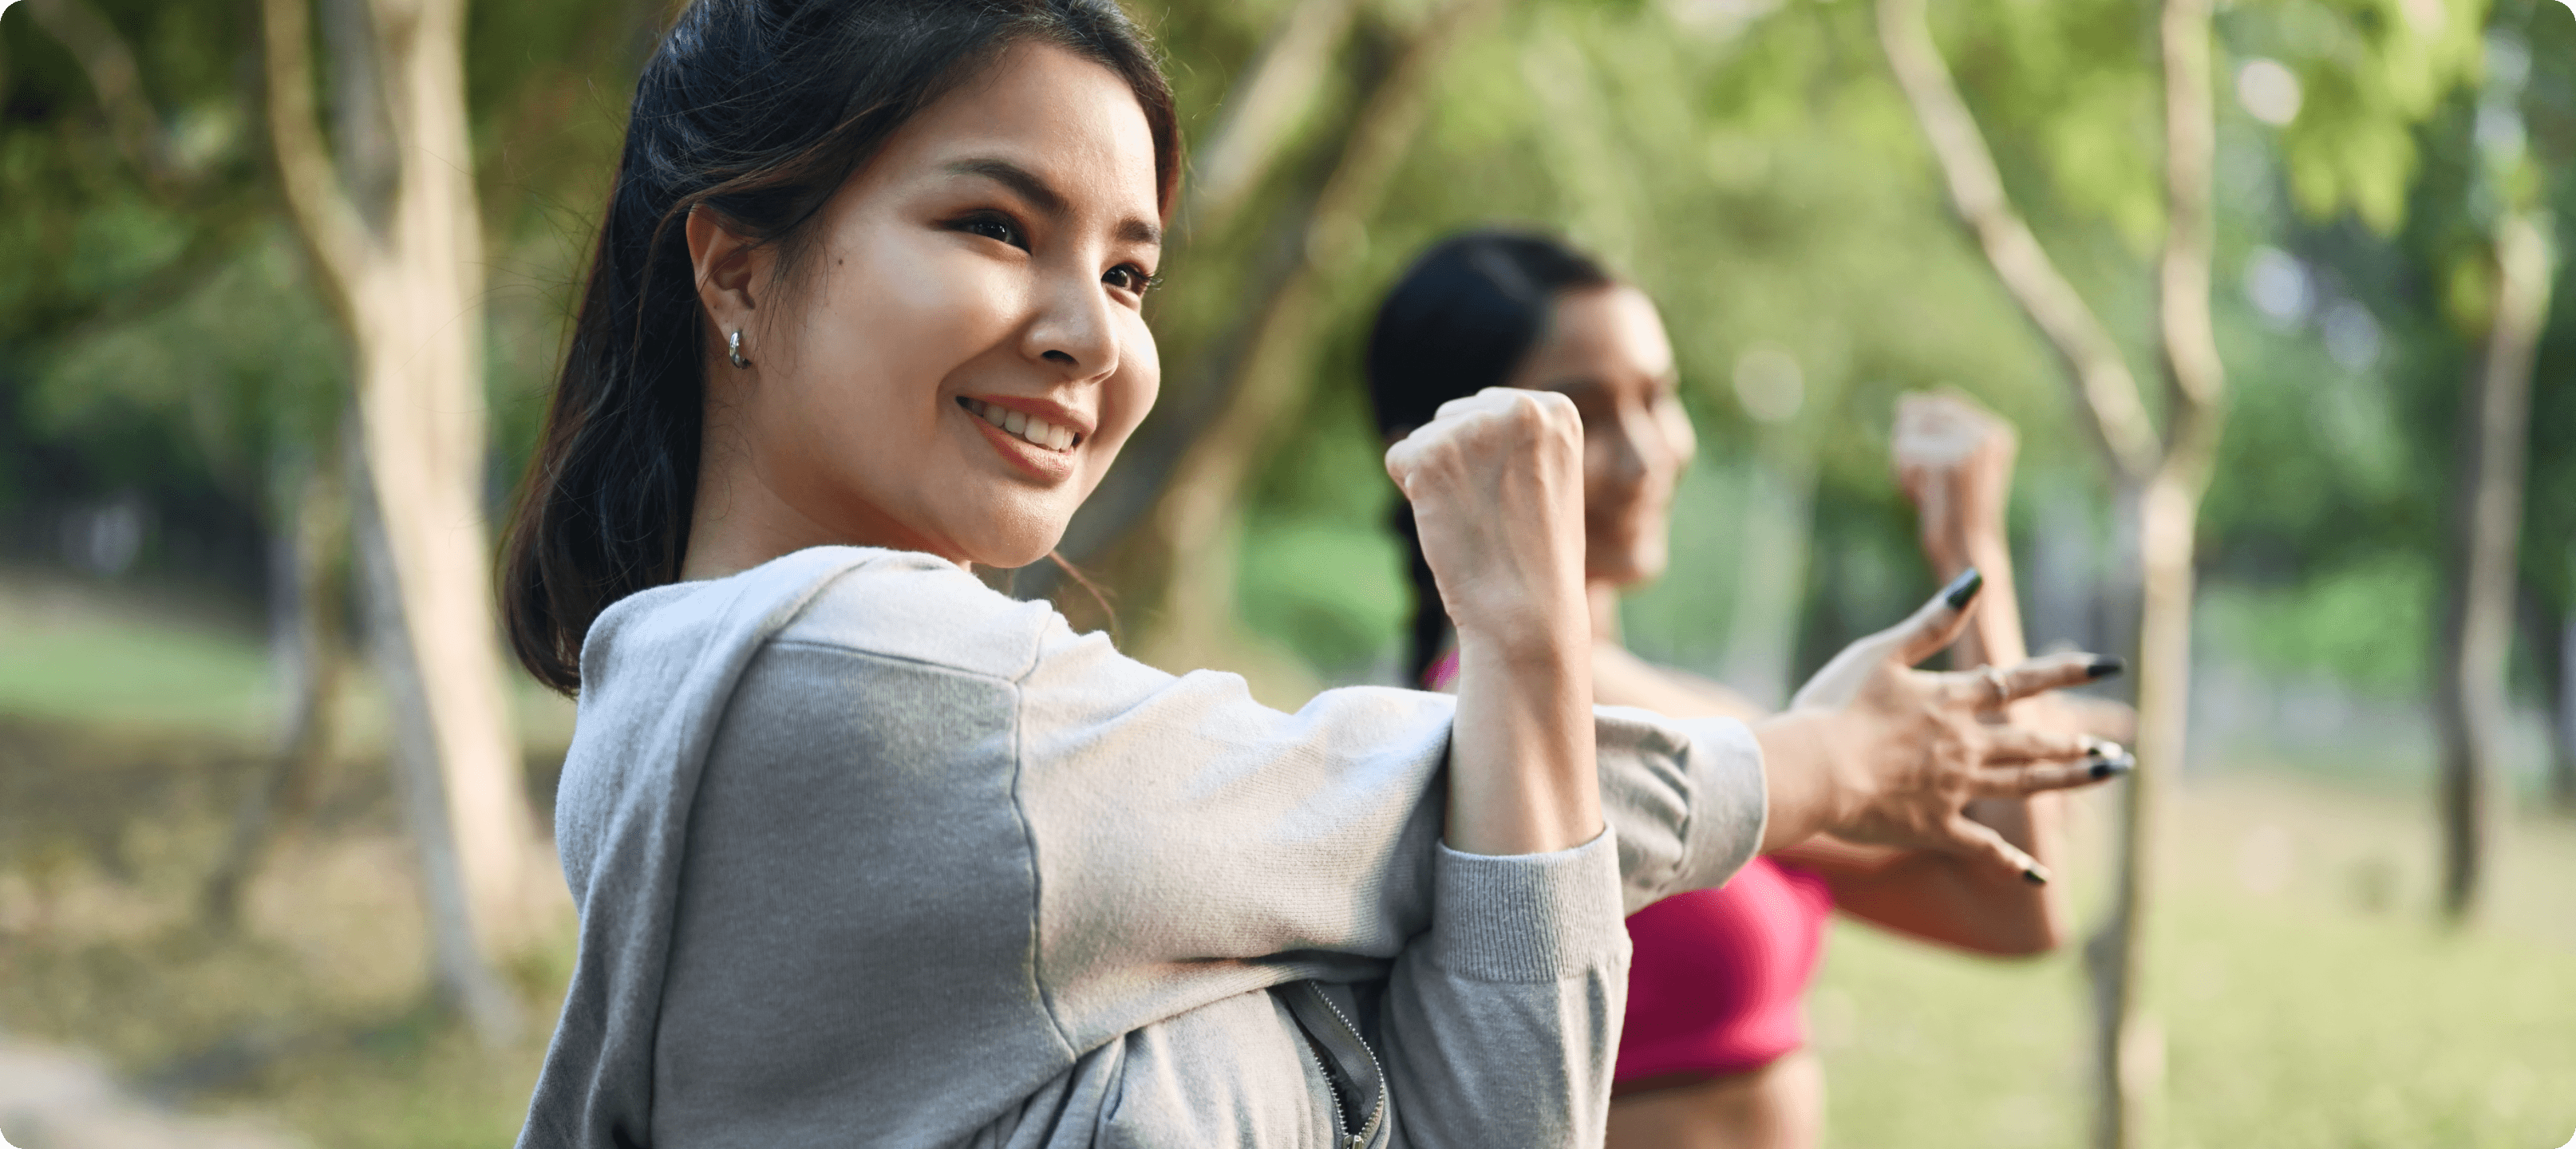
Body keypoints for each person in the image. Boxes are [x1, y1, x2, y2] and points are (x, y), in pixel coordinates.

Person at [498, 5, 2119, 1146]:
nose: (1091, 332)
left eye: (1128, 268)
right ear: (737, 264)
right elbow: (1441, 853)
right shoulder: (885, 703)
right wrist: (1804, 745)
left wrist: (1556, 683)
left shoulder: (697, 699)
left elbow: (1486, 1108)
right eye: (998, 224)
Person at [1364, 231, 2132, 1149]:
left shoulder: (1672, 705)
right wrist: (1974, 554)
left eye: (1659, 395)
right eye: (1586, 415)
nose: (1649, 453)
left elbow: (2009, 905)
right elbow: (2018, 891)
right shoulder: (1549, 726)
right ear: (1437, 451)